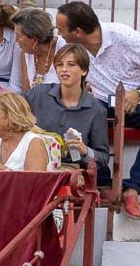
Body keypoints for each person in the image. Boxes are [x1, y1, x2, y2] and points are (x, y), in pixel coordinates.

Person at [56, 1, 140, 220]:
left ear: (78, 32)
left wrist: (139, 93)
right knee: (84, 112)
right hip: (103, 101)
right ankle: (102, 182)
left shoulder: (122, 36)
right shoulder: (69, 46)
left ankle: (133, 188)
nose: (59, 34)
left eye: (61, 29)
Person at [26, 42, 109, 174]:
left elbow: (103, 158)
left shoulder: (96, 110)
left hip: (69, 170)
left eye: (71, 65)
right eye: (60, 65)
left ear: (84, 70)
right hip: (31, 163)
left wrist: (84, 150)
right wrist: (25, 125)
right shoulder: (38, 93)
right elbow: (6, 107)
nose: (64, 69)